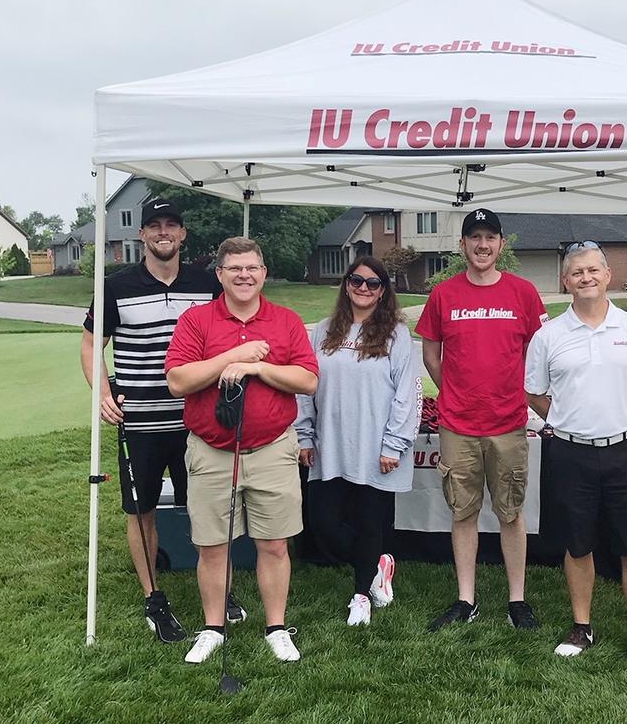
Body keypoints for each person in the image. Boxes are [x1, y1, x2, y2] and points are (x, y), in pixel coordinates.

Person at [165, 237, 318, 664]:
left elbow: (307, 380)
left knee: (273, 545)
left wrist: (256, 367)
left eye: (251, 268)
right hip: (212, 451)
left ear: (263, 273)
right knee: (212, 547)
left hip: (272, 450)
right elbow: (178, 381)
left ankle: (275, 628)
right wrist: (233, 354)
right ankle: (213, 628)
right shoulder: (196, 321)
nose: (244, 275)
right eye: (234, 269)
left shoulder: (286, 321)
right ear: (220, 275)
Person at [80, 198, 223, 643]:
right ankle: (153, 598)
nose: (164, 232)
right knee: (141, 511)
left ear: (182, 234)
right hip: (138, 420)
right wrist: (102, 393)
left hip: (195, 420)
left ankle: (218, 590)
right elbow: (90, 346)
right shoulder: (115, 285)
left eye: (172, 225)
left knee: (201, 508)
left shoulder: (207, 283)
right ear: (140, 235)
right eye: (154, 226)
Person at [525, 242, 627, 669]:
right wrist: (572, 419)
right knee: (577, 544)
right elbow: (534, 394)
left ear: (608, 275)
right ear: (565, 281)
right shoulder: (547, 335)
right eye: (576, 272)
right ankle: (581, 626)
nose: (585, 278)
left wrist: (623, 420)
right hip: (570, 453)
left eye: (593, 270)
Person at [415, 208, 548, 632]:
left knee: (510, 512)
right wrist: (453, 390)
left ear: (501, 245)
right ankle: (466, 599)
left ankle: (517, 600)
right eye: (475, 237)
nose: (483, 245)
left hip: (508, 422)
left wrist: (521, 392)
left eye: (490, 237)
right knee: (463, 512)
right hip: (458, 425)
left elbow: (537, 352)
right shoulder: (443, 295)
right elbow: (431, 353)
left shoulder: (523, 293)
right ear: (463, 246)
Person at [294, 257, 421, 626]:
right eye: (356, 280)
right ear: (346, 284)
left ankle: (361, 595)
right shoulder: (322, 331)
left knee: (369, 524)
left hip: (376, 446)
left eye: (373, 283)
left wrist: (393, 445)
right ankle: (377, 564)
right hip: (329, 444)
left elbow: (407, 394)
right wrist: (305, 434)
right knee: (323, 524)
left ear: (384, 290)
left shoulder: (396, 335)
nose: (363, 288)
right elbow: (305, 387)